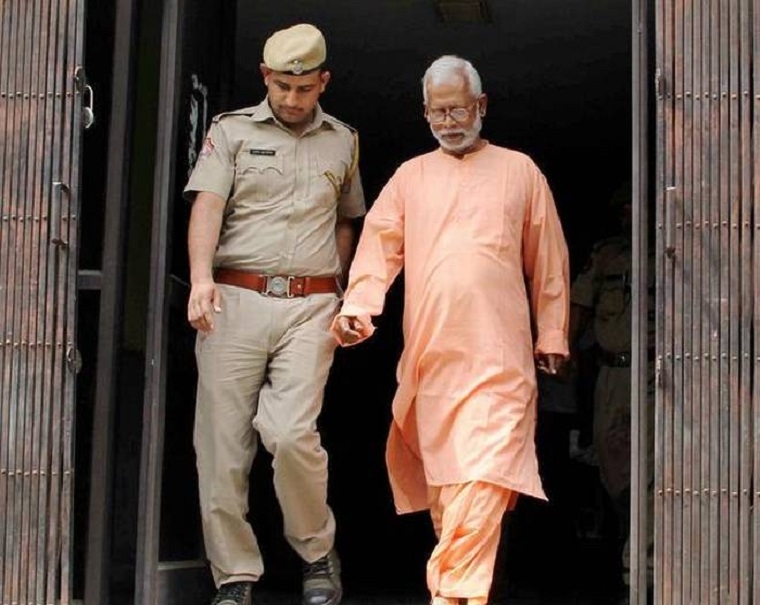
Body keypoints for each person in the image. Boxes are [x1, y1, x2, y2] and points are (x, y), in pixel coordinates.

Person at [331, 55, 570, 605]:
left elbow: (549, 261)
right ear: (425, 113)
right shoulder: (409, 178)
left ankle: (450, 593)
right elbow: (378, 247)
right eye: (438, 113)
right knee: (448, 491)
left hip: (500, 362)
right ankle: (459, 593)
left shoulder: (520, 171)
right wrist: (359, 306)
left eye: (458, 110)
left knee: (484, 477)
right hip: (432, 360)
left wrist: (553, 332)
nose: (449, 122)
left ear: (481, 106)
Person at [183, 23, 366, 605]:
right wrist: (201, 279)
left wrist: (340, 287)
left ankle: (317, 553)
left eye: (305, 88)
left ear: (323, 82)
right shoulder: (231, 131)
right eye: (283, 86)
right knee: (221, 446)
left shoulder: (344, 140)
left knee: (289, 434)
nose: (292, 98)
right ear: (265, 77)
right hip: (234, 299)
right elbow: (208, 205)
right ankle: (235, 576)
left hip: (310, 306)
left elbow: (347, 219)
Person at [569, 183, 655, 603]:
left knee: (651, 471)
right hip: (612, 374)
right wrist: (564, 348)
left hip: (658, 373)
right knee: (613, 467)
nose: (628, 217)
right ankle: (634, 539)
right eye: (623, 210)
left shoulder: (673, 251)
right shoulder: (606, 255)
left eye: (634, 209)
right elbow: (581, 305)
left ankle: (641, 568)